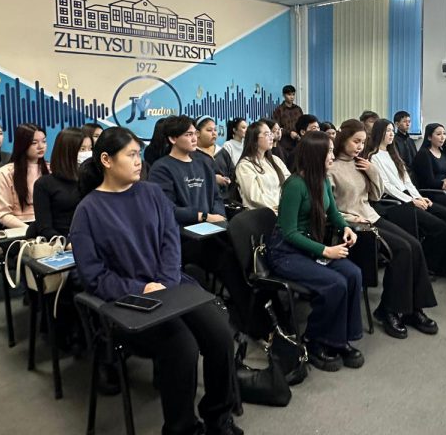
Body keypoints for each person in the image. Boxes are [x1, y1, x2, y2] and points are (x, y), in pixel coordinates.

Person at [70, 127, 242, 435]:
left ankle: (218, 416)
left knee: (220, 334)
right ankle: (182, 428)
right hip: (129, 302)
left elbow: (170, 241)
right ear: (106, 160)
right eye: (131, 155)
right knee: (182, 347)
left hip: (172, 286)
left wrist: (165, 281)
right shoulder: (87, 211)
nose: (139, 161)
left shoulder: (150, 193)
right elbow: (94, 276)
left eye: (139, 154)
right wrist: (142, 288)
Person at [148, 116, 258, 338]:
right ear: (172, 139)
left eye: (194, 134)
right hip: (184, 238)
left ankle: (255, 316)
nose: (194, 138)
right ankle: (249, 322)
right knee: (228, 258)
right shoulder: (162, 169)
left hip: (212, 231)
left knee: (244, 252)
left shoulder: (203, 163)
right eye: (188, 134)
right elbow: (167, 209)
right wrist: (203, 216)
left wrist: (219, 216)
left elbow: (216, 197)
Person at [329, 119, 439, 339]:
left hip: (371, 216)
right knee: (401, 250)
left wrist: (372, 171)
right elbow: (328, 209)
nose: (360, 147)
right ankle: (388, 310)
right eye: (356, 141)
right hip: (354, 225)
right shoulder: (331, 168)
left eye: (363, 142)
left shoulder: (360, 163)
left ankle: (413, 308)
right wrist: (350, 218)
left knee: (414, 245)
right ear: (343, 139)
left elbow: (376, 196)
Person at [268, 130, 364, 371]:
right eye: (328, 151)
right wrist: (325, 251)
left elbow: (333, 213)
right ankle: (315, 340)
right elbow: (290, 233)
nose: (332, 155)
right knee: (335, 283)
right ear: (315, 155)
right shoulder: (295, 185)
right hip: (285, 253)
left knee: (353, 274)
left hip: (309, 247)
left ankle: (340, 339)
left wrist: (345, 228)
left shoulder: (322, 180)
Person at [367, 120, 446, 281]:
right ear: (379, 133)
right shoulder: (374, 157)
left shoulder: (393, 153)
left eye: (392, 130)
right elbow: (386, 187)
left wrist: (418, 197)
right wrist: (411, 201)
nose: (391, 134)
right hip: (395, 201)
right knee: (440, 227)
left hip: (410, 196)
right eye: (387, 131)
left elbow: (407, 181)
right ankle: (430, 266)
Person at [28, 127, 86, 239]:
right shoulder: (44, 184)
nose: (87, 153)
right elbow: (44, 228)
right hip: (61, 242)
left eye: (90, 148)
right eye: (82, 149)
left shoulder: (89, 181)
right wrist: (68, 244)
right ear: (68, 152)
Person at [0, 123, 50, 228]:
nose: (41, 146)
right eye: (34, 143)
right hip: (20, 226)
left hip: (48, 224)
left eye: (44, 141)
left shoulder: (51, 169)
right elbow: (3, 214)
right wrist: (30, 230)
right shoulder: (5, 173)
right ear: (22, 145)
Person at [235, 120, 290, 213]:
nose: (271, 137)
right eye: (267, 134)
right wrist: (279, 205)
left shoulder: (275, 160)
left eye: (271, 134)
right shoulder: (245, 166)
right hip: (261, 215)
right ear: (254, 139)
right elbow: (254, 197)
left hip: (282, 210)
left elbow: (289, 183)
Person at [272, 84, 303, 158]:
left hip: (297, 142)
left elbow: (302, 124)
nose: (292, 97)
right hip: (284, 143)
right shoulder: (279, 110)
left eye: (293, 94)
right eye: (289, 94)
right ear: (284, 95)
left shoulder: (298, 109)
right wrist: (289, 133)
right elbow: (276, 128)